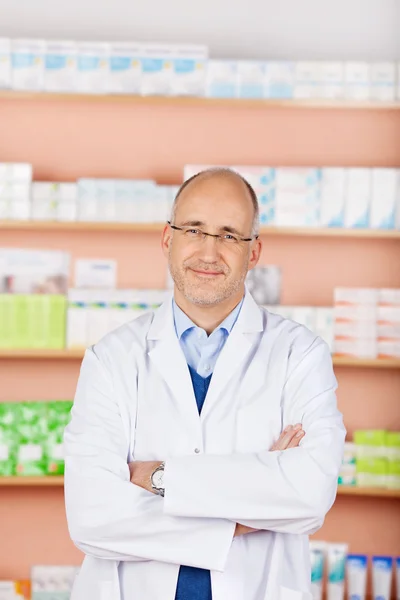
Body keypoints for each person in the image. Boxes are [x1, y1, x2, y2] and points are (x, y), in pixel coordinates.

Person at [64, 168, 346, 600]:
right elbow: (91, 517)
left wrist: (157, 478)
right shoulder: (111, 359)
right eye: (194, 230)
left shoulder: (301, 355)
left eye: (230, 235)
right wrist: (249, 512)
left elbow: (309, 493)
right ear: (167, 240)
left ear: (254, 253)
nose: (210, 251)